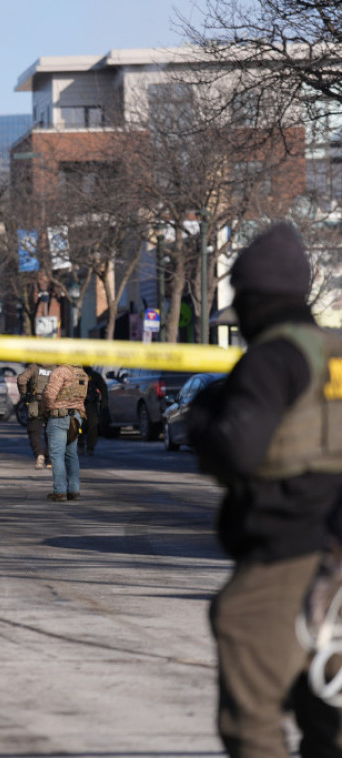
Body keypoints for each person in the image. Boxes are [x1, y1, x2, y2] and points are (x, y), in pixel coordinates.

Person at [187, 222, 342, 757]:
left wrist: (203, 420)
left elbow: (237, 451)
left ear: (250, 299)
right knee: (330, 717)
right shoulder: (336, 352)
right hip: (335, 557)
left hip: (288, 554)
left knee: (251, 721)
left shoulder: (273, 358)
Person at [41, 362, 88, 502]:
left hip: (59, 417)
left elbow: (49, 394)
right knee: (71, 455)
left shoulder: (60, 371)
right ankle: (74, 491)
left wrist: (46, 409)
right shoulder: (82, 373)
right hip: (77, 417)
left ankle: (60, 491)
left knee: (56, 455)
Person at [17, 363, 55, 469]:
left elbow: (21, 380)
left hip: (36, 403)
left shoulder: (34, 367)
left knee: (34, 431)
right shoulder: (57, 367)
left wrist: (24, 394)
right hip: (53, 404)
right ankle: (50, 461)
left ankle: (39, 455)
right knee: (52, 432)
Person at [78, 365, 108, 457]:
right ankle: (80, 445)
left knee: (93, 425)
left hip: (92, 405)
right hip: (79, 405)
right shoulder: (77, 375)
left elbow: (103, 388)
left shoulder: (95, 375)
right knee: (79, 427)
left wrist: (104, 403)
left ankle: (90, 447)